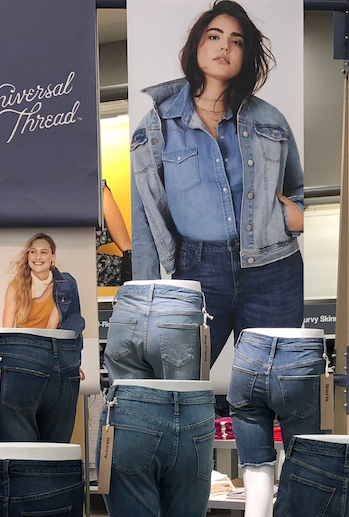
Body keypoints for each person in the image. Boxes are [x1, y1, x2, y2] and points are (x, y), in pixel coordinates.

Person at [130, 0, 304, 362]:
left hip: (274, 268)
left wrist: (297, 218)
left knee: (270, 388)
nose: (225, 46)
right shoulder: (157, 127)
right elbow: (145, 219)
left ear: (246, 55)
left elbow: (298, 190)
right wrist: (142, 301)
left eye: (236, 41)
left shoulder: (271, 120)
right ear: (197, 48)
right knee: (180, 386)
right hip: (198, 270)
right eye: (214, 36)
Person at [1, 233, 85, 336]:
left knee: (77, 320)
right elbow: (6, 330)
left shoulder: (64, 284)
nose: (38, 257)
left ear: (53, 257)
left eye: (43, 252)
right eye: (33, 252)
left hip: (49, 340)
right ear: (28, 256)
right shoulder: (15, 286)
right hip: (24, 341)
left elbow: (51, 327)